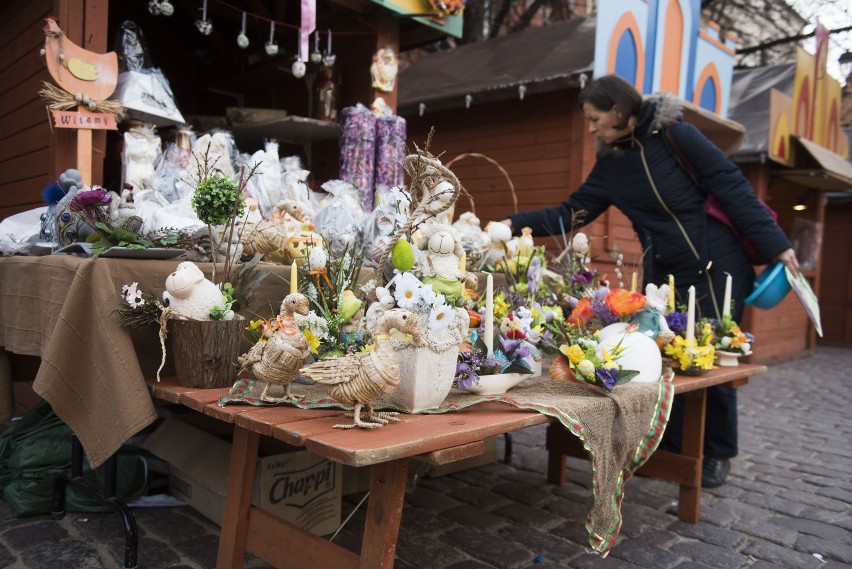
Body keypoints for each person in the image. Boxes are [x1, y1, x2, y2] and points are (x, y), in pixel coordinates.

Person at [498, 74, 799, 488]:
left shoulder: (678, 136)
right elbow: (573, 213)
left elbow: (731, 185)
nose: (591, 127)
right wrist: (514, 224)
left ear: (619, 109)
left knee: (710, 355)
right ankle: (672, 445)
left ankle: (716, 452)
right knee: (669, 358)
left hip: (717, 263)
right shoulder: (611, 165)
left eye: (594, 117)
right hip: (666, 273)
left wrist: (778, 246)